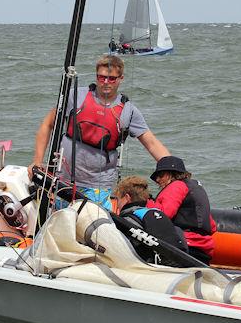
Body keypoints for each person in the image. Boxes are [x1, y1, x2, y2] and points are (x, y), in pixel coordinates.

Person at [29, 54, 169, 209]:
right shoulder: (75, 96)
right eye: (101, 78)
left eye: (111, 78)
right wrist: (37, 160)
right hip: (64, 180)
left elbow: (152, 144)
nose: (106, 83)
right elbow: (47, 125)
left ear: (121, 78)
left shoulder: (128, 111)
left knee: (94, 226)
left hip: (98, 186)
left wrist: (175, 172)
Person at [148, 156, 216, 265]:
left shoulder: (176, 186)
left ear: (172, 174)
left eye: (161, 175)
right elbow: (212, 226)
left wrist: (147, 203)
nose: (157, 180)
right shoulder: (195, 187)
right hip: (204, 249)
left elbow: (164, 214)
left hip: (185, 246)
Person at [113, 175, 190, 266]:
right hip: (181, 263)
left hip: (157, 269)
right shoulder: (157, 213)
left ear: (127, 198)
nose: (117, 205)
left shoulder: (127, 221)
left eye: (118, 199)